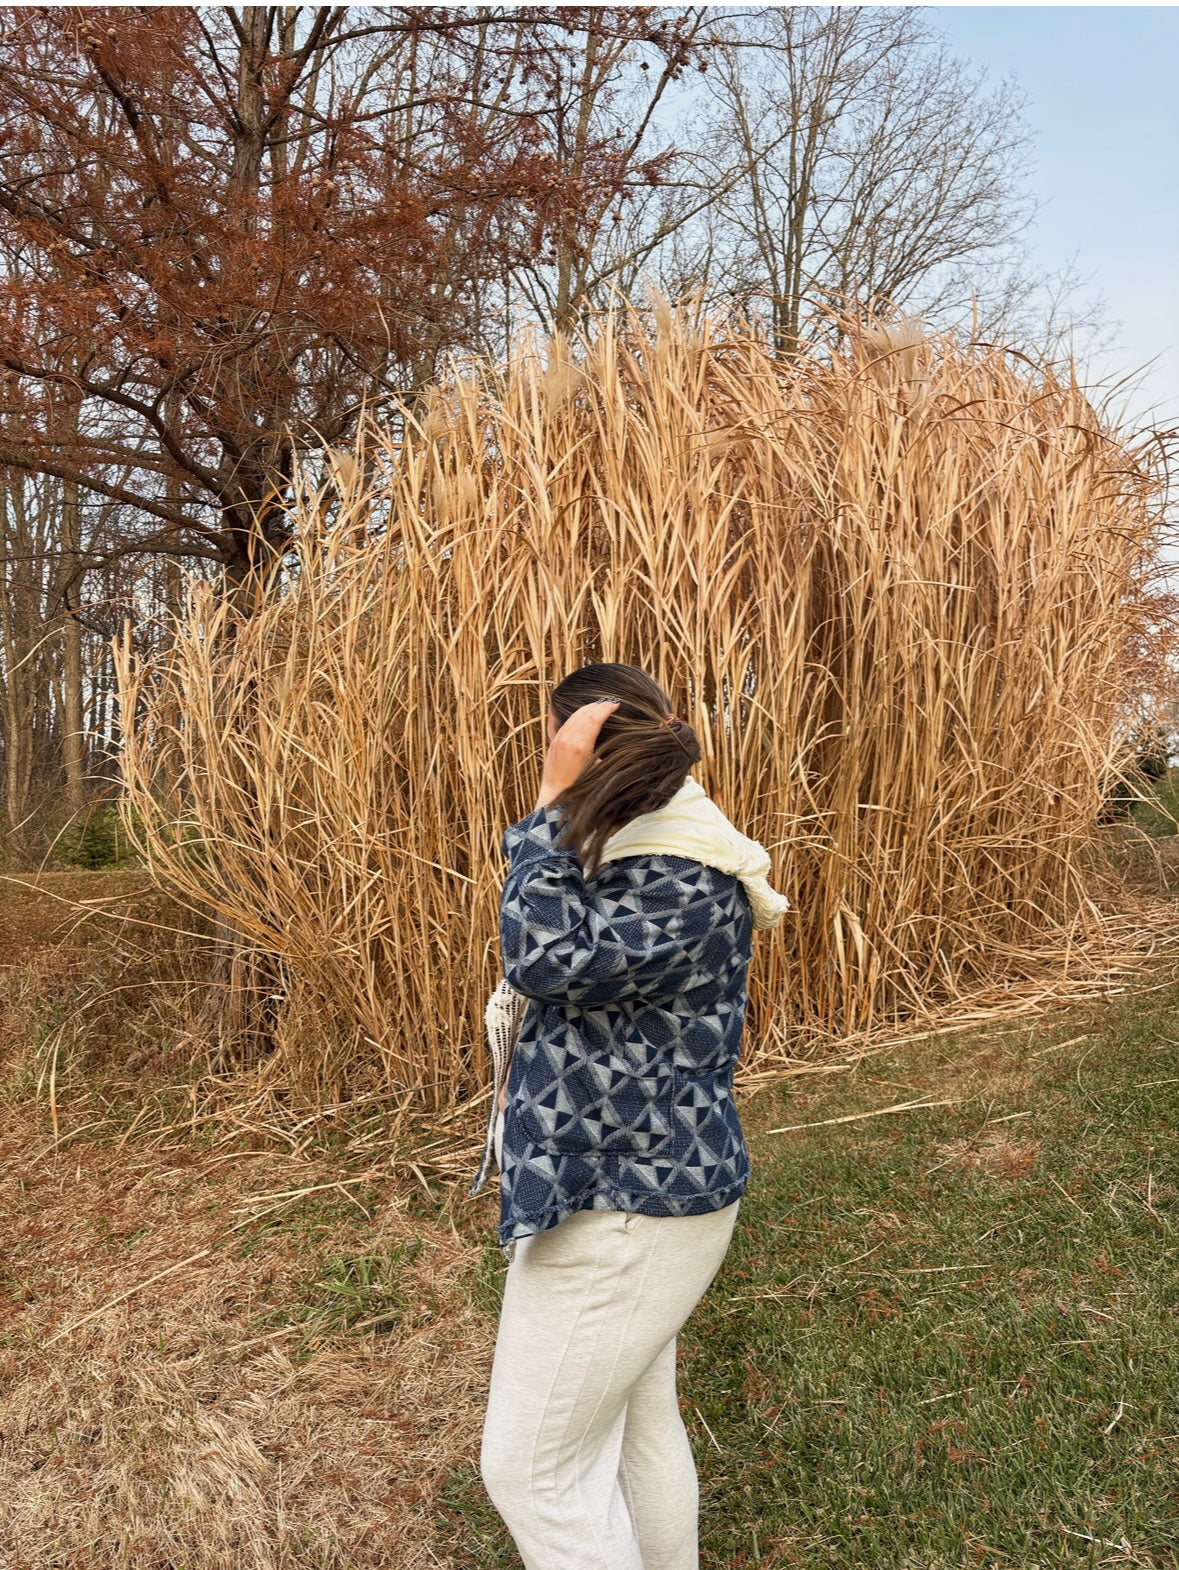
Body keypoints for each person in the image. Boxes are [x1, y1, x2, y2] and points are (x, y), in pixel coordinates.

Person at [473, 662, 790, 1570]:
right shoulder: (654, 852)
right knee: (630, 1433)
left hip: (622, 1208)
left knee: (531, 1472)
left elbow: (541, 959)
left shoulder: (677, 874)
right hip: (621, 1188)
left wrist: (543, 810)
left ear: (583, 753)